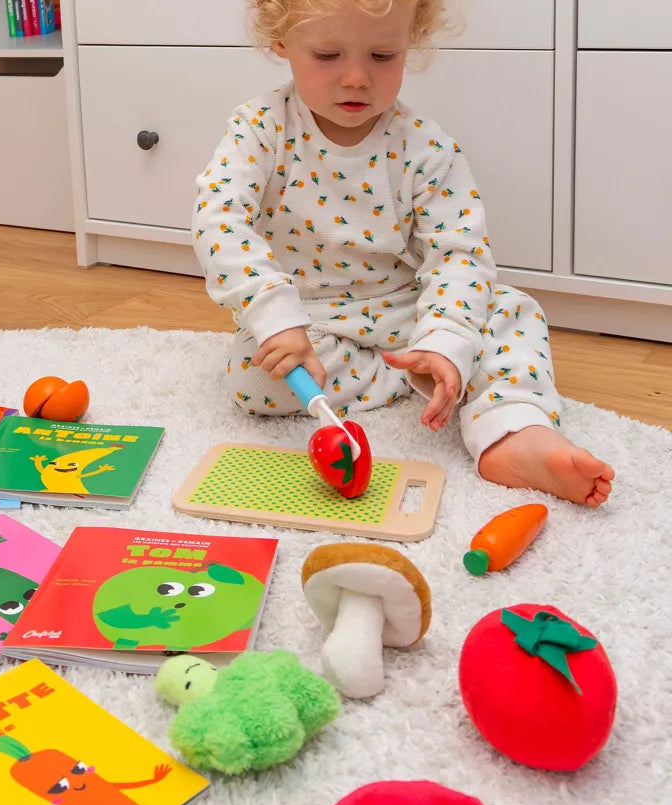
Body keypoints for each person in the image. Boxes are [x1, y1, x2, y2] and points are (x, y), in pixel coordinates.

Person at [191, 0, 614, 507]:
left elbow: (459, 253)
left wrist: (444, 337)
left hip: (406, 311)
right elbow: (219, 220)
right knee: (253, 375)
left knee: (511, 310)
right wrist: (275, 318)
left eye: (382, 55)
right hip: (309, 323)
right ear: (281, 41)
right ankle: (414, 376)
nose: (356, 78)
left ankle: (513, 429)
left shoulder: (426, 146)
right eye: (327, 55)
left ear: (409, 42)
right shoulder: (259, 128)